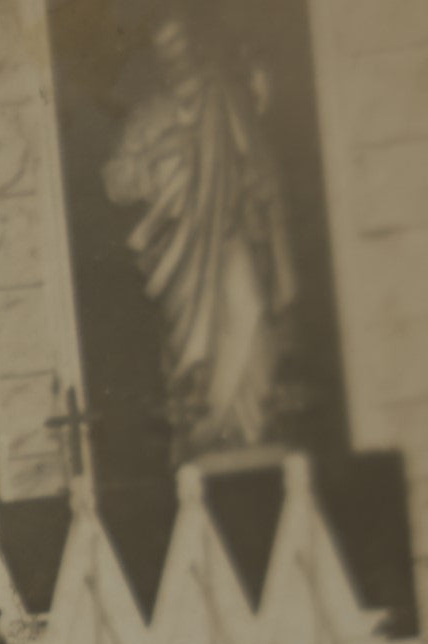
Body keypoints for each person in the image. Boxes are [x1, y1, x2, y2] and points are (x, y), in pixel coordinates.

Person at [103, 11, 298, 461]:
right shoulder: (149, 116)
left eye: (181, 46)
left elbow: (254, 163)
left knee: (248, 306)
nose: (176, 58)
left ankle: (250, 426)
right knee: (192, 345)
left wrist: (255, 196)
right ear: (157, 58)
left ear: (194, 48)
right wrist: (149, 173)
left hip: (226, 238)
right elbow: (115, 181)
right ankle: (209, 428)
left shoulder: (222, 99)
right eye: (165, 49)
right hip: (178, 257)